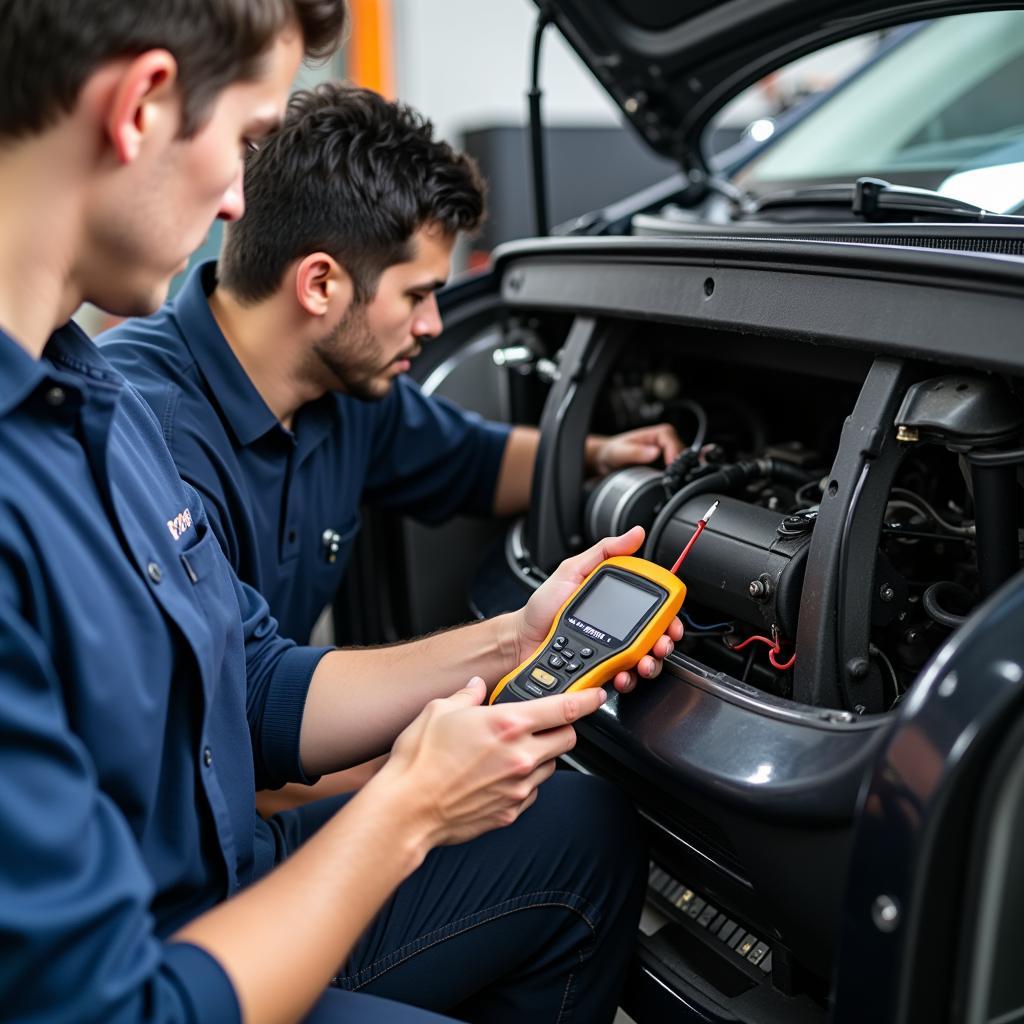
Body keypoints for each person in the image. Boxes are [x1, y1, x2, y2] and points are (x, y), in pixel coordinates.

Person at [0, 5, 683, 1023]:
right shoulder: (119, 425)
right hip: (173, 964)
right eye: (242, 142)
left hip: (227, 871)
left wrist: (518, 635)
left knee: (582, 827)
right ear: (140, 106)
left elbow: (256, 681)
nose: (238, 201)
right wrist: (405, 806)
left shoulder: (84, 395)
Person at [100, 82, 684, 648]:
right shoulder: (147, 439)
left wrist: (597, 455)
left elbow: (474, 461)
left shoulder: (340, 387)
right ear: (321, 284)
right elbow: (234, 706)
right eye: (416, 295)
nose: (431, 324)